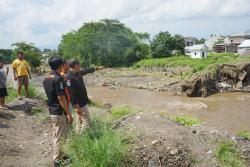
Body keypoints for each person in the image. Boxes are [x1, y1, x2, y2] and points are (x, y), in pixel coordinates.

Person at [43, 56, 73, 166]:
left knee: (57, 135)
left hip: (52, 110)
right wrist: (69, 113)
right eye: (63, 64)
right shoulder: (57, 78)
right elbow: (61, 98)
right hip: (59, 112)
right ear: (60, 65)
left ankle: (61, 155)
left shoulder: (47, 78)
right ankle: (57, 160)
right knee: (60, 137)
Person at [66, 59, 102, 134]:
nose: (81, 66)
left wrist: (96, 68)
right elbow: (71, 94)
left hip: (82, 102)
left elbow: (86, 70)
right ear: (76, 65)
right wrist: (76, 107)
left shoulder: (78, 73)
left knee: (79, 119)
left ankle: (77, 134)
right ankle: (83, 137)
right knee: (87, 122)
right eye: (80, 65)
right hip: (79, 104)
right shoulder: (70, 77)